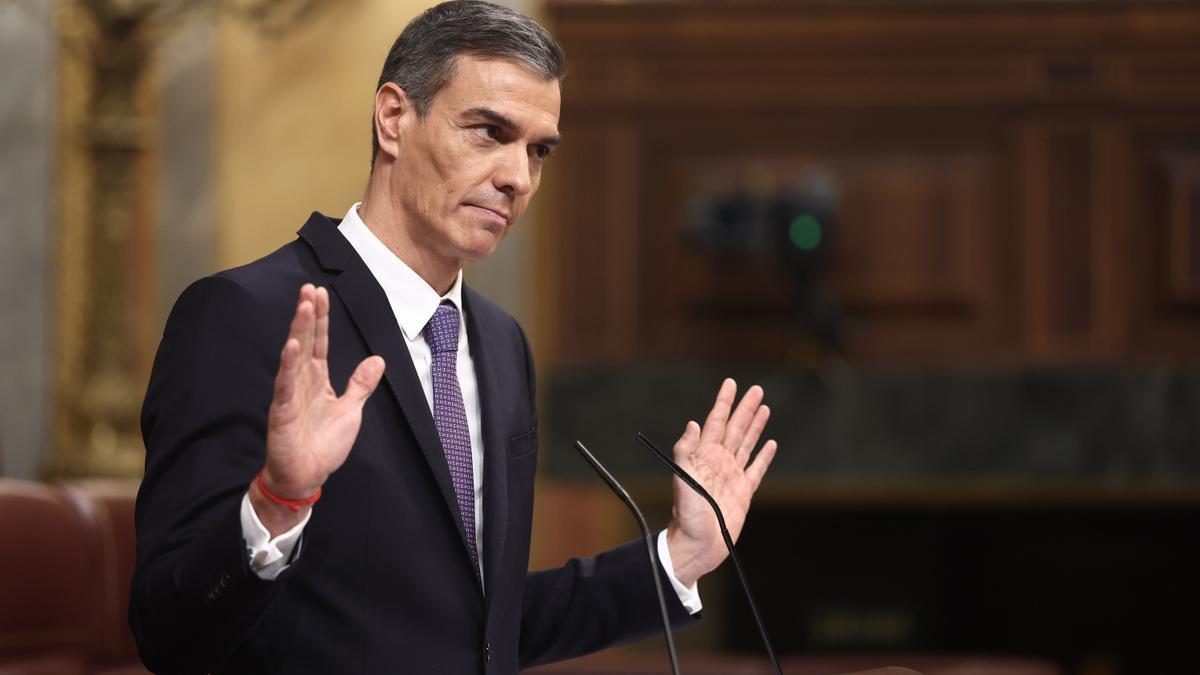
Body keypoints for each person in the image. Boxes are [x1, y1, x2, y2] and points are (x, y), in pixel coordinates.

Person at [130, 2, 777, 673]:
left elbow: (481, 628)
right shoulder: (246, 314)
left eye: (538, 150)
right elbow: (166, 630)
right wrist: (275, 502)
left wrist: (680, 556)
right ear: (393, 118)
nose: (518, 178)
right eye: (489, 132)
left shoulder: (501, 345)